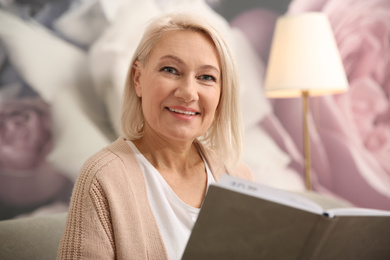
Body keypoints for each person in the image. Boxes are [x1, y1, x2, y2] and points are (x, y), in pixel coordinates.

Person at [57, 12, 253, 260]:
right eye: (170, 70)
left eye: (206, 77)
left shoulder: (237, 176)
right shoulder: (103, 177)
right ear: (138, 79)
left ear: (222, 94)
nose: (188, 92)